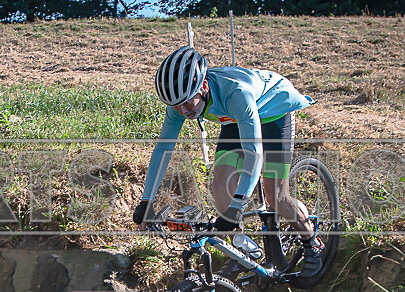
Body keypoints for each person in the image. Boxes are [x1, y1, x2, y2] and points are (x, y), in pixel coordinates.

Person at [133, 46, 324, 277]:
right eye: (176, 105)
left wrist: (238, 206)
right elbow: (163, 148)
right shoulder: (180, 104)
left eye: (187, 103)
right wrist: (146, 200)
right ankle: (242, 253)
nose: (182, 111)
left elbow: (254, 152)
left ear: (203, 88)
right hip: (236, 118)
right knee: (221, 185)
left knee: (277, 196)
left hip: (274, 111)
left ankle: (312, 241)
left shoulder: (236, 93)